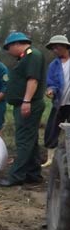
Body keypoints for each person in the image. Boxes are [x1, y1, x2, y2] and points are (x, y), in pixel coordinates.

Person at [0, 32, 46, 187]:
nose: (9, 51)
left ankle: (16, 176)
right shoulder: (25, 57)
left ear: (17, 44)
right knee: (30, 140)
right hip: (25, 104)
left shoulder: (33, 55)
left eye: (9, 48)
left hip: (28, 104)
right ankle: (33, 174)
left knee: (23, 141)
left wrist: (26, 101)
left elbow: (33, 80)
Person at [42, 35, 70, 168]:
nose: (54, 50)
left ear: (64, 46)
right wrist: (50, 90)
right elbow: (51, 82)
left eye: (57, 47)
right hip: (59, 102)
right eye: (53, 48)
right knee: (52, 128)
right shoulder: (54, 65)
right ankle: (50, 158)